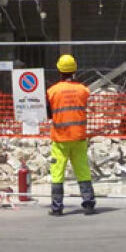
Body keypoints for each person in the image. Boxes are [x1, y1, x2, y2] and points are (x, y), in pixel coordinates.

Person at [46, 54, 96, 216]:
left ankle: (57, 207)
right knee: (83, 170)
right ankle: (88, 203)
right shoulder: (83, 90)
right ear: (74, 70)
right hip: (79, 137)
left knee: (57, 173)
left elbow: (49, 114)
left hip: (60, 139)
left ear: (59, 70)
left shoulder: (52, 91)